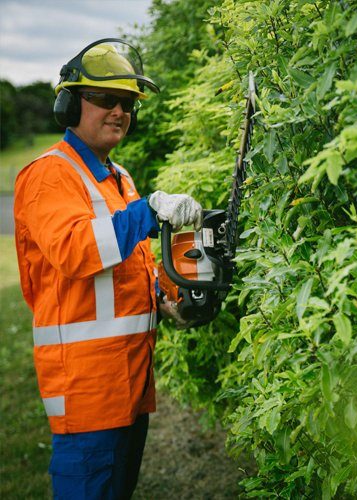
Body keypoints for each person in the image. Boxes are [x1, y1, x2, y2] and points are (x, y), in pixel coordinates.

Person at [13, 38, 200, 499]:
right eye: (104, 99)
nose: (119, 111)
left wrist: (175, 295)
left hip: (129, 388)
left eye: (127, 103)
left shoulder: (119, 178)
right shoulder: (49, 174)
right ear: (69, 104)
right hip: (87, 392)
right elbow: (76, 249)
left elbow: (135, 268)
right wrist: (150, 212)